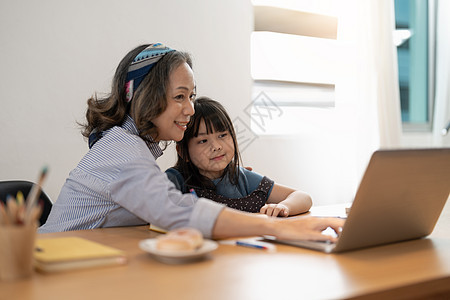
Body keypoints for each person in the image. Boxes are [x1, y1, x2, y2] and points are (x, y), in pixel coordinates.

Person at [39, 43, 344, 242]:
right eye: (180, 97)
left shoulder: (132, 144)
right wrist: (280, 228)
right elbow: (177, 209)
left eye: (192, 96)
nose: (191, 109)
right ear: (147, 97)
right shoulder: (123, 150)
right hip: (50, 267)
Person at [166, 97, 312, 217]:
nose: (217, 146)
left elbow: (303, 197)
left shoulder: (241, 177)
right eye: (203, 141)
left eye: (222, 135)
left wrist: (283, 207)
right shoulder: (176, 180)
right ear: (183, 152)